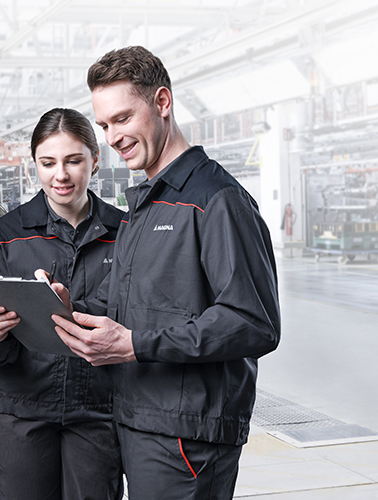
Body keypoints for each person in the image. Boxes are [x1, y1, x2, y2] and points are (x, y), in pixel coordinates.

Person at [46, 46, 281, 500]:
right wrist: (69, 308)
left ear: (162, 103)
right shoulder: (145, 206)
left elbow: (253, 322)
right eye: (104, 126)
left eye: (122, 118)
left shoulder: (217, 200)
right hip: (138, 419)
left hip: (187, 433)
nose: (112, 137)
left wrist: (134, 345)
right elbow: (138, 308)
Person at [0, 108, 125, 500]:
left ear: (95, 160)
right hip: (20, 408)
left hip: (97, 408)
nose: (61, 175)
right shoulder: (3, 237)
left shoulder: (126, 233)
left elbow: (135, 317)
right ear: (34, 164)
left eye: (74, 161)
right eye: (48, 162)